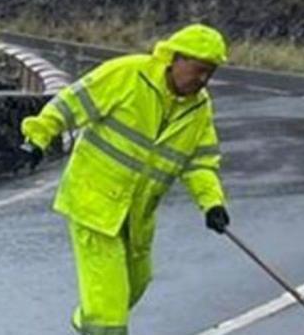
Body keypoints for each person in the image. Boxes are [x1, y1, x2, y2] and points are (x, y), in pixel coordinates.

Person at [19, 24, 231, 335]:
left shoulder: (199, 108)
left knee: (136, 284)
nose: (203, 80)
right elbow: (73, 102)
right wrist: (38, 137)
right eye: (199, 70)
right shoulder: (129, 75)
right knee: (108, 311)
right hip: (95, 204)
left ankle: (85, 324)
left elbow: (200, 162)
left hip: (137, 216)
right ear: (176, 59)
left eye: (209, 73)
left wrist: (212, 204)